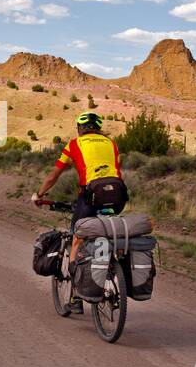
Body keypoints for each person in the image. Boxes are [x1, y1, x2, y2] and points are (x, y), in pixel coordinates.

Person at [33, 113, 127, 309]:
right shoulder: (112, 143)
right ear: (99, 127)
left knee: (78, 236)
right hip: (118, 196)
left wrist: (39, 194)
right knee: (107, 230)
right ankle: (112, 264)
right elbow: (116, 170)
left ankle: (75, 297)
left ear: (79, 128)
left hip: (91, 195)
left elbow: (54, 175)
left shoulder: (75, 144)